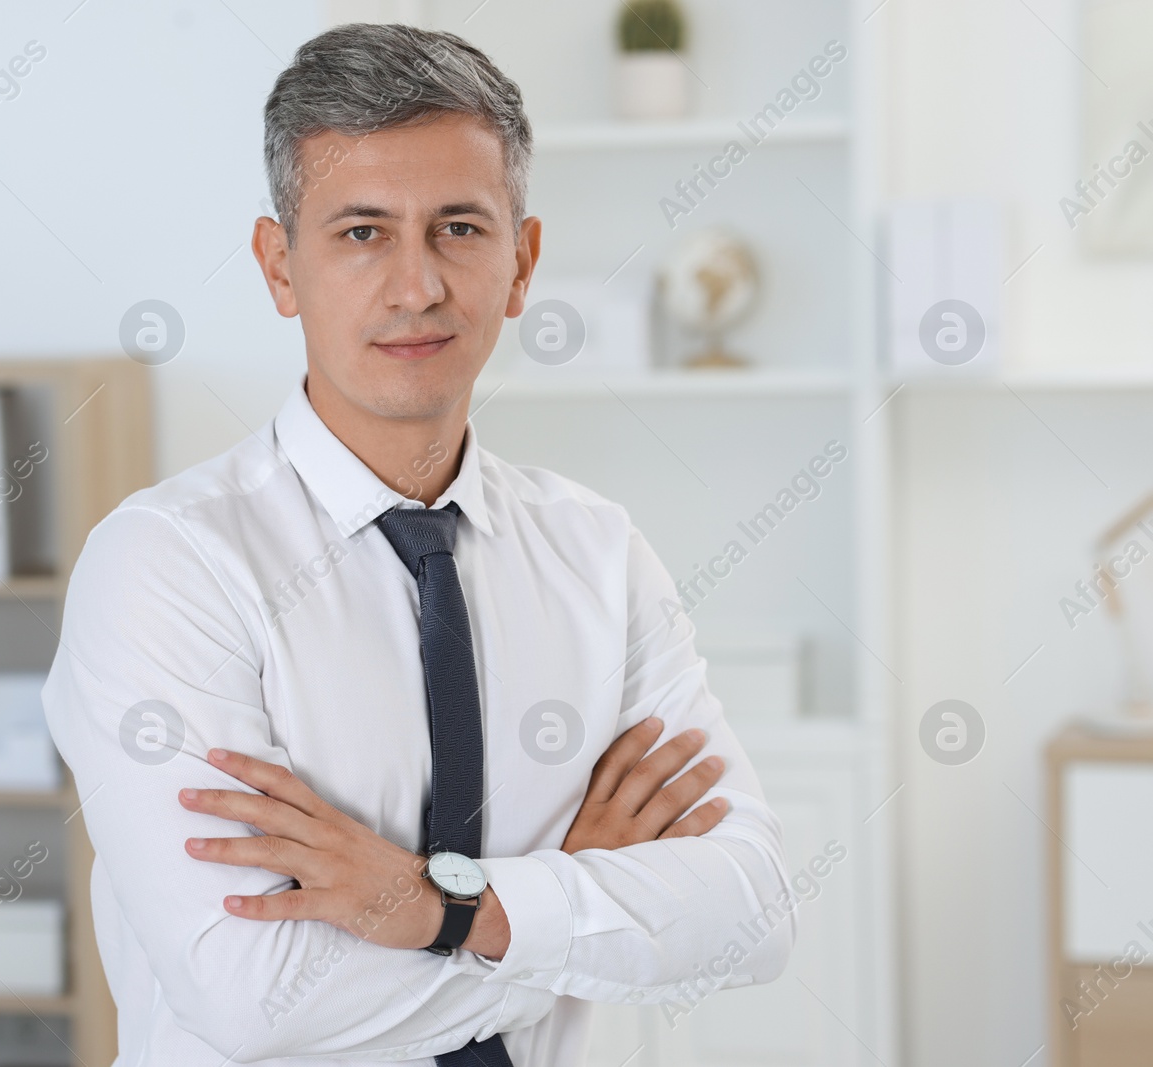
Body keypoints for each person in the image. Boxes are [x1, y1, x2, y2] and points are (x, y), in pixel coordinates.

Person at [41, 22, 794, 1066]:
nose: (415, 286)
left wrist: (437, 905)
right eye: (360, 232)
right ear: (279, 266)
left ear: (521, 262)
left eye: (457, 228)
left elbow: (751, 908)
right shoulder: (168, 567)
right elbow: (253, 998)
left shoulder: (597, 554)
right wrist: (559, 903)